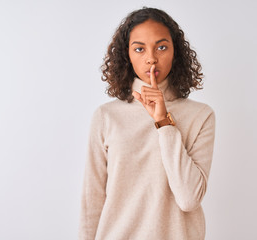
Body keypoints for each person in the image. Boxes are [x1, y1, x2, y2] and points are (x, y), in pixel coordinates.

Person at [79, 7, 216, 240]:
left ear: (176, 52)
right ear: (127, 55)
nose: (151, 58)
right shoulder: (106, 116)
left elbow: (189, 198)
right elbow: (92, 201)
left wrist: (164, 123)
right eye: (139, 49)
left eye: (161, 47)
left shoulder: (200, 116)